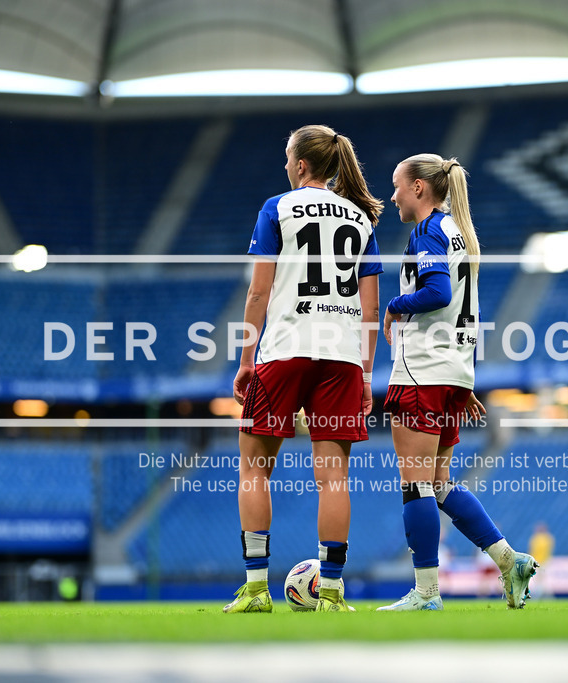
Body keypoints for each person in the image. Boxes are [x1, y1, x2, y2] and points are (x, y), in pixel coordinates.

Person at [225, 124, 383, 613]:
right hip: (340, 356)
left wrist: (247, 358)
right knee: (334, 479)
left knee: (254, 468)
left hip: (285, 349)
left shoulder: (277, 208)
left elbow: (258, 292)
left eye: (287, 157)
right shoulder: (361, 218)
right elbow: (371, 310)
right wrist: (365, 374)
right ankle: (332, 592)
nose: (285, 165)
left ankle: (256, 589)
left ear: (300, 165)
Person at [377, 153, 538, 611]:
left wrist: (393, 305)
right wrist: (463, 379)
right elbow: (470, 308)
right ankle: (509, 561)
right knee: (440, 482)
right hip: (451, 371)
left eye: (397, 186)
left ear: (420, 189)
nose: (393, 196)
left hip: (421, 370)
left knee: (416, 485)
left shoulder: (427, 231)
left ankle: (427, 592)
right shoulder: (459, 233)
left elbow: (438, 293)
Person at [528, 521, 555, 598]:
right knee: (541, 580)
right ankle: (546, 596)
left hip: (538, 562)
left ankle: (539, 596)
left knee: (539, 580)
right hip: (544, 562)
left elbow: (533, 550)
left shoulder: (536, 538)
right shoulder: (549, 538)